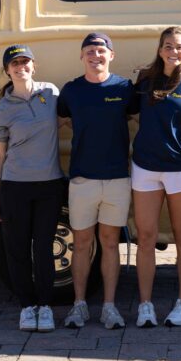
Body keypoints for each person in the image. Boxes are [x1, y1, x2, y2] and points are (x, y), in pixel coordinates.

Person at [131, 26, 181, 328]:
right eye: (167, 46)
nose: (173, 51)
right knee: (146, 236)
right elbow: (132, 114)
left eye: (178, 46)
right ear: (160, 49)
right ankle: (145, 305)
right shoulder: (145, 81)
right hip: (145, 168)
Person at [56, 32, 135, 330]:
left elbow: (144, 117)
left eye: (101, 50)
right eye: (89, 50)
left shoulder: (125, 88)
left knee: (110, 243)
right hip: (82, 180)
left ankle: (109, 308)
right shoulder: (71, 91)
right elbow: (61, 120)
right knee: (81, 244)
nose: (95, 55)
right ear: (81, 57)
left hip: (116, 178)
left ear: (111, 56)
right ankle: (79, 306)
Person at [0, 44, 66, 332]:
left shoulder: (51, 93)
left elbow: (71, 117)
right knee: (17, 250)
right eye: (14, 63)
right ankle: (27, 306)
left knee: (44, 248)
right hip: (14, 187)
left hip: (49, 184)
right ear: (7, 71)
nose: (20, 67)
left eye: (25, 62)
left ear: (34, 66)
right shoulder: (3, 109)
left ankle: (45, 307)